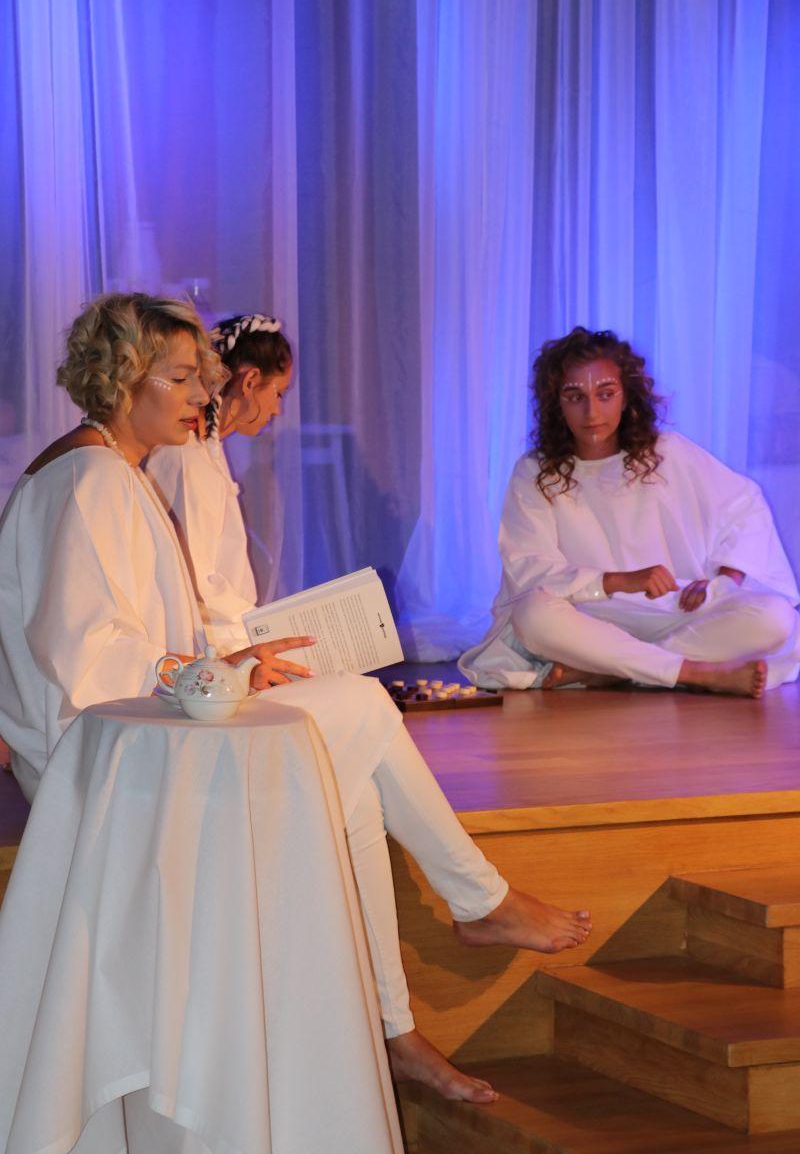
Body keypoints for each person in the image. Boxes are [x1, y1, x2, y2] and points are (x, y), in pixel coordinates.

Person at [0, 294, 591, 1112]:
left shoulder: (111, 471)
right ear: (122, 378)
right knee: (364, 705)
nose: (202, 395)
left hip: (135, 740)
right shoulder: (92, 479)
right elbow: (86, 662)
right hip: (105, 766)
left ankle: (394, 1030)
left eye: (201, 377)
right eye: (181, 377)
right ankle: (480, 899)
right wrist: (219, 670)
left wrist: (224, 665)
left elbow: (123, 644)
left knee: (349, 795)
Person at [460, 327, 800, 697]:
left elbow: (745, 506)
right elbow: (530, 567)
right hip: (589, 617)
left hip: (675, 611)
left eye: (605, 394)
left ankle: (613, 670)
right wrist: (617, 581)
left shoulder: (667, 452)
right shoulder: (535, 472)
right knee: (533, 614)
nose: (592, 412)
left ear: (625, 398)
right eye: (575, 396)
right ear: (557, 403)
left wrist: (726, 578)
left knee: (775, 617)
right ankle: (694, 672)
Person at [146, 313, 291, 653]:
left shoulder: (208, 452)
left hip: (230, 641)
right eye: (279, 393)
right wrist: (255, 640)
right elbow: (197, 584)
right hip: (206, 652)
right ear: (250, 381)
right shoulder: (184, 457)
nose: (278, 410)